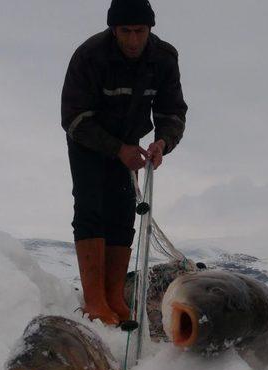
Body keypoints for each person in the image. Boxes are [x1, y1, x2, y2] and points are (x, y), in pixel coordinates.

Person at [61, 0, 187, 326]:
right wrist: (116, 149)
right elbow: (73, 117)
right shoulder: (89, 56)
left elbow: (171, 112)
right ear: (113, 29)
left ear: (150, 29)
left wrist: (164, 142)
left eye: (140, 31)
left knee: (121, 212)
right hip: (89, 140)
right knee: (91, 208)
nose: (133, 40)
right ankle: (94, 301)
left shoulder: (163, 58)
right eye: (126, 32)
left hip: (129, 144)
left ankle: (114, 298)